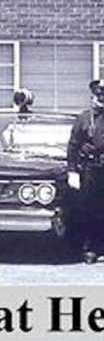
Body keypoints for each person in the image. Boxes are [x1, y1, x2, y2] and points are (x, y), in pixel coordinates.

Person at [67, 79, 104, 264]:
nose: (101, 99)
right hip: (91, 170)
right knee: (90, 209)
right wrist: (72, 170)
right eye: (99, 95)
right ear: (93, 96)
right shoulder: (83, 118)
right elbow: (73, 146)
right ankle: (91, 248)